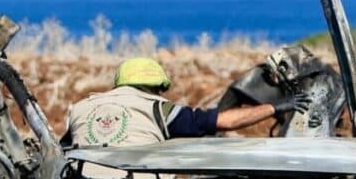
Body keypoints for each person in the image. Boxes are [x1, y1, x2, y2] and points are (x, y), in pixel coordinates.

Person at [65, 57, 310, 149]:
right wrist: (276, 106)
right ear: (156, 87)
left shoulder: (80, 108)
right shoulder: (158, 108)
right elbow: (223, 121)